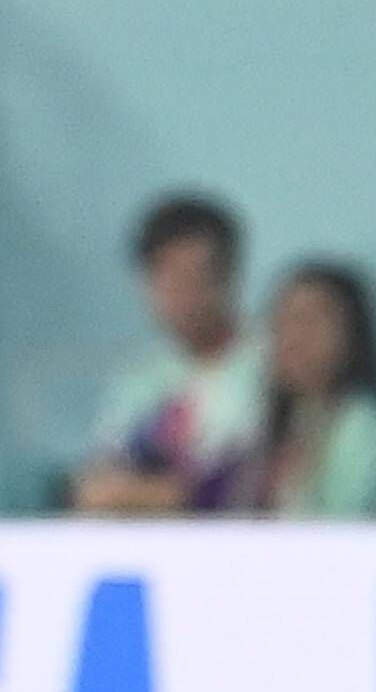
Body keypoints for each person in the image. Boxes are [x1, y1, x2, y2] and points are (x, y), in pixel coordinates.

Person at [73, 191, 263, 512]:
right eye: (168, 279)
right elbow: (98, 481)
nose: (182, 296)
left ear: (229, 277)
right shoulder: (139, 379)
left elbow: (245, 485)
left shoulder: (271, 370)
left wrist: (172, 495)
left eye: (194, 278)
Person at [230, 260, 376, 515]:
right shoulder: (277, 422)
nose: (292, 338)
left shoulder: (369, 429)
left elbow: (344, 528)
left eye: (309, 321)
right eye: (282, 321)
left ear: (352, 333)